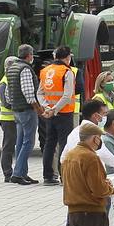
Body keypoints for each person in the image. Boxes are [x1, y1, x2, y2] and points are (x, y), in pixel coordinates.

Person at [60, 121, 114, 226]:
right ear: (94, 138)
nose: (100, 141)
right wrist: (111, 189)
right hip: (92, 213)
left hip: (74, 212)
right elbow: (98, 189)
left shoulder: (69, 156)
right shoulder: (90, 157)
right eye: (99, 138)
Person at [6, 44, 44, 185]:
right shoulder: (25, 69)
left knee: (20, 142)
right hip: (27, 110)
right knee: (28, 142)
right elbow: (28, 92)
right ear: (29, 55)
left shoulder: (11, 68)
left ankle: (22, 173)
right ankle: (17, 174)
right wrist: (38, 108)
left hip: (16, 110)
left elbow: (8, 93)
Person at [39, 45, 78, 186]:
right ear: (68, 57)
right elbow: (67, 95)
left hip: (50, 114)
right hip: (64, 113)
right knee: (64, 144)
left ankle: (48, 176)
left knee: (49, 143)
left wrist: (47, 107)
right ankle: (64, 176)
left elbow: (40, 93)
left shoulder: (45, 71)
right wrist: (55, 109)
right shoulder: (67, 72)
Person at [0, 62, 17, 183]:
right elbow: (6, 103)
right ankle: (7, 173)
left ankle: (15, 172)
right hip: (8, 120)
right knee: (8, 147)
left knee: (12, 146)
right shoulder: (4, 83)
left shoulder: (9, 81)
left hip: (13, 119)